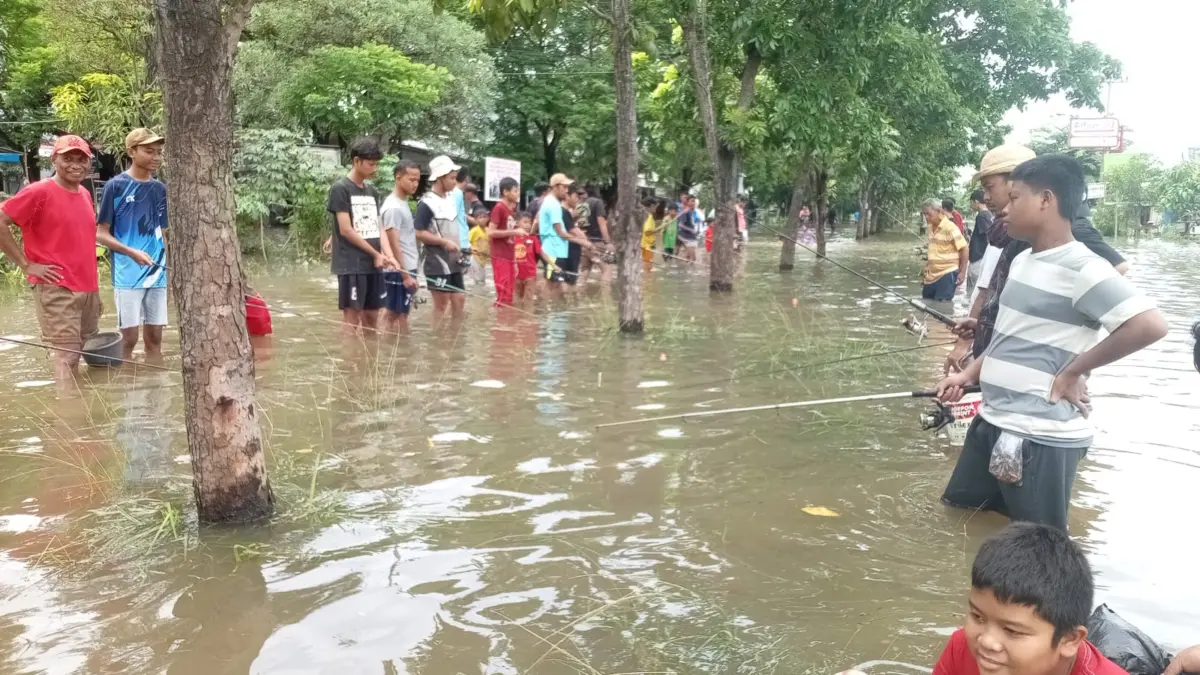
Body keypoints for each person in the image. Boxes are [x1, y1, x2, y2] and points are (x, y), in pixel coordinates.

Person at [937, 155, 1167, 530]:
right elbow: (1008, 334)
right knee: (957, 518)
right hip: (992, 419)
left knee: (1037, 546)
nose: (1005, 210)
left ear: (1046, 200)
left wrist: (1074, 370)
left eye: (1014, 198)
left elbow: (1149, 325)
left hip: (1040, 436)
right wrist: (969, 375)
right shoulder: (1024, 260)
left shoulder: (1084, 267)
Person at [947, 145, 1130, 373]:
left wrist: (1072, 369)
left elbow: (1119, 274)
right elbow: (987, 292)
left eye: (990, 187)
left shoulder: (1067, 232)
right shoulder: (1011, 234)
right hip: (997, 358)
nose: (986, 197)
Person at [931, 523, 1127, 675]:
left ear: (1069, 639)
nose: (987, 641)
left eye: (1012, 631)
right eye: (978, 617)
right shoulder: (962, 648)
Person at [0, 135, 102, 380]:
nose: (75, 164)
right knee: (66, 356)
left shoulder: (85, 194)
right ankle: (69, 416)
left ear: (89, 163)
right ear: (54, 159)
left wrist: (94, 292)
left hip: (88, 288)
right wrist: (26, 265)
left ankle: (81, 413)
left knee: (82, 352)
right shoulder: (39, 191)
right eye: (68, 158)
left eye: (81, 159)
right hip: (57, 287)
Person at [96, 128, 168, 359]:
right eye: (149, 151)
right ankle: (128, 390)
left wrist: (168, 274)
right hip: (127, 275)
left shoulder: (160, 189)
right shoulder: (115, 187)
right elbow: (101, 234)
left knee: (155, 339)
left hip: (158, 273)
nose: (156, 157)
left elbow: (162, 233)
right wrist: (131, 252)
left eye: (158, 152)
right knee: (128, 340)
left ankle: (156, 387)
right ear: (131, 152)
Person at [327, 138, 397, 334]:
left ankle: (368, 361)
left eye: (376, 164)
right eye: (371, 163)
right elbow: (346, 230)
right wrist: (376, 254)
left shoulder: (372, 191)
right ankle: (349, 362)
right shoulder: (340, 189)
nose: (374, 168)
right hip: (351, 265)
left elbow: (378, 226)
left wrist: (388, 255)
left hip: (373, 264)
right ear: (356, 161)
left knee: (372, 315)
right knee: (352, 317)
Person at [416, 155, 467, 316]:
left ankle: (454, 338)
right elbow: (418, 232)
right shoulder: (426, 203)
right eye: (451, 178)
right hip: (436, 260)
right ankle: (437, 338)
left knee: (459, 300)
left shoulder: (451, 199)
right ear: (439, 178)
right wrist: (443, 242)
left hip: (453, 260)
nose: (454, 181)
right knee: (441, 304)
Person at [379, 160, 422, 333]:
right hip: (398, 270)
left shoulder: (402, 203)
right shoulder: (393, 207)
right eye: (411, 179)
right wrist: (404, 275)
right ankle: (382, 347)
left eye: (418, 180)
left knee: (402, 313)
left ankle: (402, 352)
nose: (415, 184)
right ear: (398, 178)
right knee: (392, 313)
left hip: (407, 267)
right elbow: (392, 243)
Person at [537, 173, 579, 298]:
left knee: (556, 284)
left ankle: (555, 312)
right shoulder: (553, 205)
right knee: (552, 284)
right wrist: (582, 241)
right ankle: (547, 313)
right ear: (555, 187)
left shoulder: (551, 202)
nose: (566, 191)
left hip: (556, 250)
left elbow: (537, 221)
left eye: (567, 188)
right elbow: (561, 232)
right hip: (553, 250)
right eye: (564, 187)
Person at [921, 198, 968, 301]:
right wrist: (928, 265)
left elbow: (964, 248)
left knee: (942, 306)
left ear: (939, 211)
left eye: (928, 214)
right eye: (925, 214)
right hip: (931, 275)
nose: (926, 217)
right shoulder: (930, 227)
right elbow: (934, 249)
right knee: (926, 302)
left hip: (947, 273)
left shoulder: (950, 227)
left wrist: (962, 272)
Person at [488, 177, 523, 306]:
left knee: (509, 296)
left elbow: (511, 239)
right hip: (499, 257)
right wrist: (514, 232)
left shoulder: (511, 210)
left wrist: (514, 261)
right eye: (515, 191)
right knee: (503, 295)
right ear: (505, 192)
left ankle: (507, 323)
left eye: (518, 191)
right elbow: (491, 232)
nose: (517, 194)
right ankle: (501, 323)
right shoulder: (499, 208)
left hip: (509, 257)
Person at [513, 211, 558, 301]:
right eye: (525, 222)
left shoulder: (533, 239)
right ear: (517, 223)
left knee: (528, 300)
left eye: (530, 222)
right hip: (515, 276)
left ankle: (528, 314)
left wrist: (553, 265)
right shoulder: (512, 238)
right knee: (516, 299)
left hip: (530, 275)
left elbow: (542, 253)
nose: (528, 225)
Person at [579, 184, 612, 281]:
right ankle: (606, 295)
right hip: (597, 242)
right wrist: (608, 242)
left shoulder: (579, 204)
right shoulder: (597, 202)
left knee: (584, 270)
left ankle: (578, 293)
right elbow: (601, 223)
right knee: (608, 268)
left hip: (584, 243)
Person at [966, 189, 992, 292]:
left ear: (976, 202)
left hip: (978, 257)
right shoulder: (990, 214)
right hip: (983, 257)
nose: (971, 205)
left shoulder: (981, 216)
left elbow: (987, 236)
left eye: (971, 203)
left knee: (973, 289)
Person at [640, 198, 662, 269]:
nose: (656, 209)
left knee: (644, 265)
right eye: (656, 207)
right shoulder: (649, 216)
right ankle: (647, 279)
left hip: (642, 244)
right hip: (648, 246)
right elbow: (647, 232)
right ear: (652, 206)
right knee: (648, 268)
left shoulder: (642, 215)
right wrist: (658, 229)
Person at [678, 195, 700, 263]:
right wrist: (691, 230)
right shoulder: (685, 212)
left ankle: (684, 271)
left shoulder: (692, 212)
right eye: (692, 201)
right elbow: (681, 225)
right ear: (687, 202)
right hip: (687, 237)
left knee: (688, 258)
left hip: (692, 237)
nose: (694, 203)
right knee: (693, 259)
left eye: (694, 201)